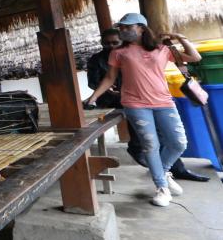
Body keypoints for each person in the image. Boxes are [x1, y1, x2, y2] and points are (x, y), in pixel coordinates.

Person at [85, 13, 202, 207]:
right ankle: (162, 187)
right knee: (150, 145)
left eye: (126, 27)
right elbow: (109, 78)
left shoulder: (162, 48)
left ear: (141, 28)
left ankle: (162, 171)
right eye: (121, 27)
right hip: (134, 104)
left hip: (163, 102)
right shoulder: (119, 53)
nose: (122, 31)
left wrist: (181, 39)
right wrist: (94, 97)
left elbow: (194, 57)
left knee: (178, 143)